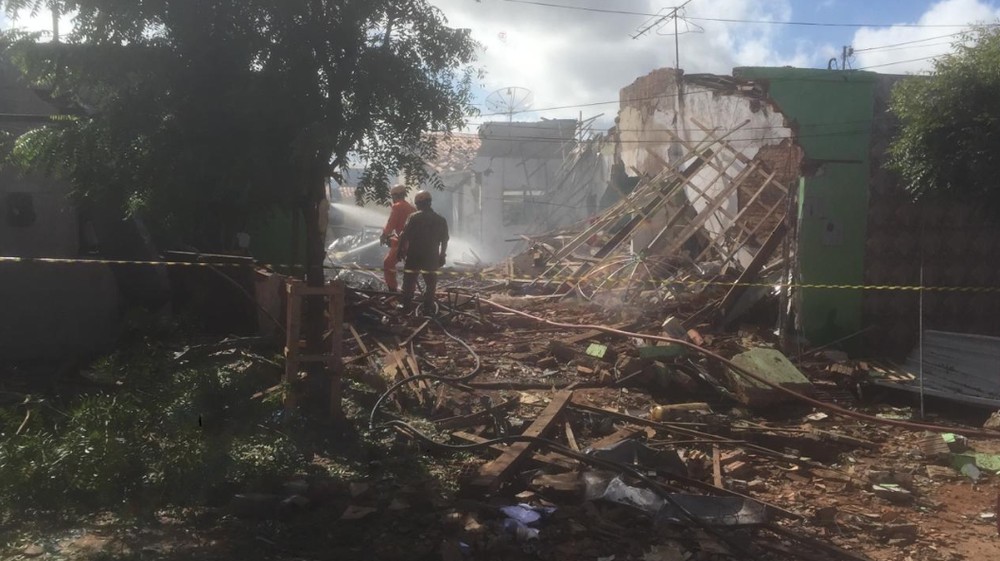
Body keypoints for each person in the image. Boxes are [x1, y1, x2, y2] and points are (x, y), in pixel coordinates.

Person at [397, 190, 449, 313]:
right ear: (429, 203)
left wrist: (400, 250)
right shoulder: (440, 219)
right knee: (431, 283)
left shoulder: (413, 217)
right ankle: (427, 307)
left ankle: (406, 306)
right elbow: (445, 240)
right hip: (431, 256)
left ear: (418, 203)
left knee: (409, 281)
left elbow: (404, 235)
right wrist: (442, 255)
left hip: (414, 255)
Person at [380, 184, 416, 292]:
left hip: (404, 243)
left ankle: (392, 290)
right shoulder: (412, 208)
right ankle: (410, 290)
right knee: (411, 268)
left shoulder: (397, 206)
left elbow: (391, 223)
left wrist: (384, 235)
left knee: (388, 263)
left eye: (392, 196)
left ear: (395, 195)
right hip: (413, 243)